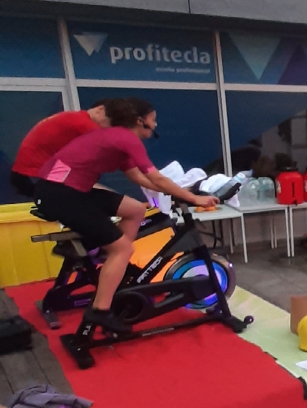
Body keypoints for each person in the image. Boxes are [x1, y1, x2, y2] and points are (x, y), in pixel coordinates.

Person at [34, 98, 218, 333]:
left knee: (135, 209)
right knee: (122, 248)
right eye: (153, 119)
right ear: (140, 121)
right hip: (60, 194)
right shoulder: (126, 138)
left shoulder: (117, 140)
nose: (155, 124)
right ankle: (100, 310)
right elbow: (156, 178)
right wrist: (193, 198)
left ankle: (108, 261)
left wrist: (182, 192)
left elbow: (140, 178)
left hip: (67, 191)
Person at [10, 100, 111, 197]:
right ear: (100, 110)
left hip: (27, 174)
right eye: (112, 121)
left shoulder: (73, 117)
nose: (110, 127)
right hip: (35, 175)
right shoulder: (83, 123)